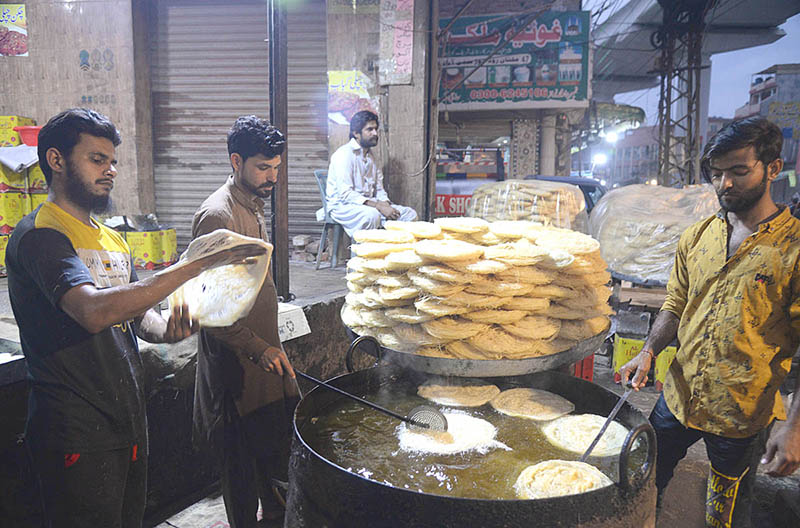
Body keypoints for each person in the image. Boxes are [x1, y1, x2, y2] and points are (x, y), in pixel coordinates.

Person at [6, 108, 264, 528]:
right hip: (75, 427)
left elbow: (141, 319)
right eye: (96, 159)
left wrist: (172, 328)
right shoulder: (41, 235)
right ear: (55, 160)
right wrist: (194, 265)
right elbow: (93, 311)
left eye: (112, 161)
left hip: (126, 418)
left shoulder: (110, 239)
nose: (110, 170)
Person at [619, 117, 800, 527]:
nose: (725, 185)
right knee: (643, 480)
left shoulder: (792, 249)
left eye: (738, 171)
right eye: (717, 174)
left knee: (726, 510)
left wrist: (793, 427)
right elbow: (676, 303)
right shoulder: (698, 236)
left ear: (772, 168)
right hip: (678, 396)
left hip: (742, 413)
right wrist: (648, 351)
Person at [191, 115, 299, 527]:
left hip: (264, 363)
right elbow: (208, 311)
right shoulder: (218, 216)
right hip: (235, 372)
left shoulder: (252, 206)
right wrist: (259, 347)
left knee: (268, 466)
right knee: (239, 475)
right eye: (262, 168)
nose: (272, 177)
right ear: (236, 160)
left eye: (276, 168)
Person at [325, 110, 418, 236]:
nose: (375, 133)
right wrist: (378, 206)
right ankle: (365, 254)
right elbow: (345, 194)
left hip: (369, 205)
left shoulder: (372, 156)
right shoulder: (344, 155)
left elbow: (379, 188)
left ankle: (390, 251)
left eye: (375, 129)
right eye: (369, 129)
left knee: (409, 214)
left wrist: (385, 204)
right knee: (372, 216)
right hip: (342, 206)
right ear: (356, 133)